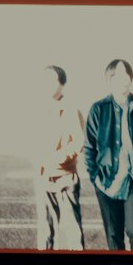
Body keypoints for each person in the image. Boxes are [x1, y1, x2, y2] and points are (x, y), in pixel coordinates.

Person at [82, 57, 133, 251]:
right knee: (114, 236)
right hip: (107, 182)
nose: (123, 80)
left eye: (127, 75)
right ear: (109, 80)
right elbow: (89, 148)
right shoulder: (98, 109)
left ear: (131, 79)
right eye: (117, 76)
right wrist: (95, 177)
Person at [36, 65, 91, 248]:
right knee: (45, 229)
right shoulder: (40, 109)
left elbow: (78, 142)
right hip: (44, 175)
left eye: (53, 80)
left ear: (62, 83)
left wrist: (60, 159)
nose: (48, 84)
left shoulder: (71, 109)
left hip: (65, 176)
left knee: (72, 229)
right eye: (45, 81)